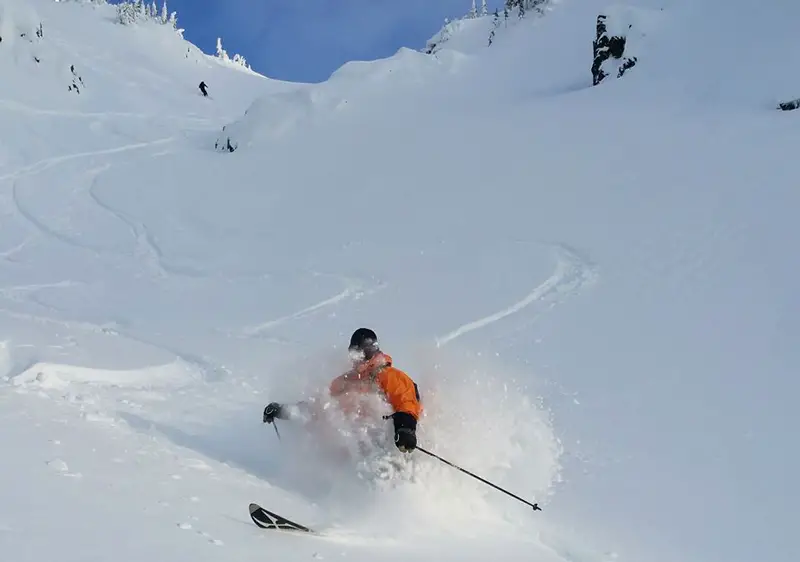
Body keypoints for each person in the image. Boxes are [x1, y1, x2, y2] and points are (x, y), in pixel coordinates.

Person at [262, 328, 421, 453]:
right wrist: (283, 410)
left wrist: (406, 429)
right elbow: (320, 407)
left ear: (372, 351)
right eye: (353, 353)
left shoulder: (389, 376)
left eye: (361, 352)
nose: (357, 357)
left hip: (391, 446)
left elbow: (406, 402)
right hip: (353, 451)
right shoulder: (345, 381)